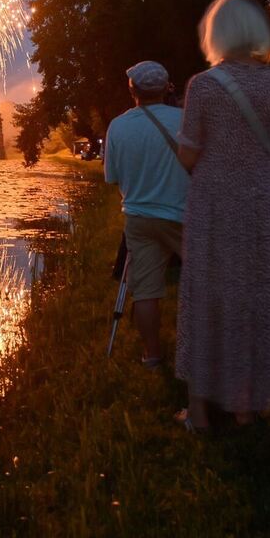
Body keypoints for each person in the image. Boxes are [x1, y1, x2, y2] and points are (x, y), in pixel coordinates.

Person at [174, 0, 270, 431]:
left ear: (216, 34)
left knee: (210, 297)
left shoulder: (204, 86)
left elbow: (189, 155)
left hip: (216, 205)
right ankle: (252, 403)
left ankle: (201, 411)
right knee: (258, 295)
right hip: (265, 203)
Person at [103, 60, 188, 367]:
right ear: (167, 88)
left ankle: (152, 354)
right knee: (203, 278)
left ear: (132, 90)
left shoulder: (119, 126)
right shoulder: (186, 119)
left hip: (138, 218)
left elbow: (112, 177)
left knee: (147, 290)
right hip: (183, 214)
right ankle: (207, 347)